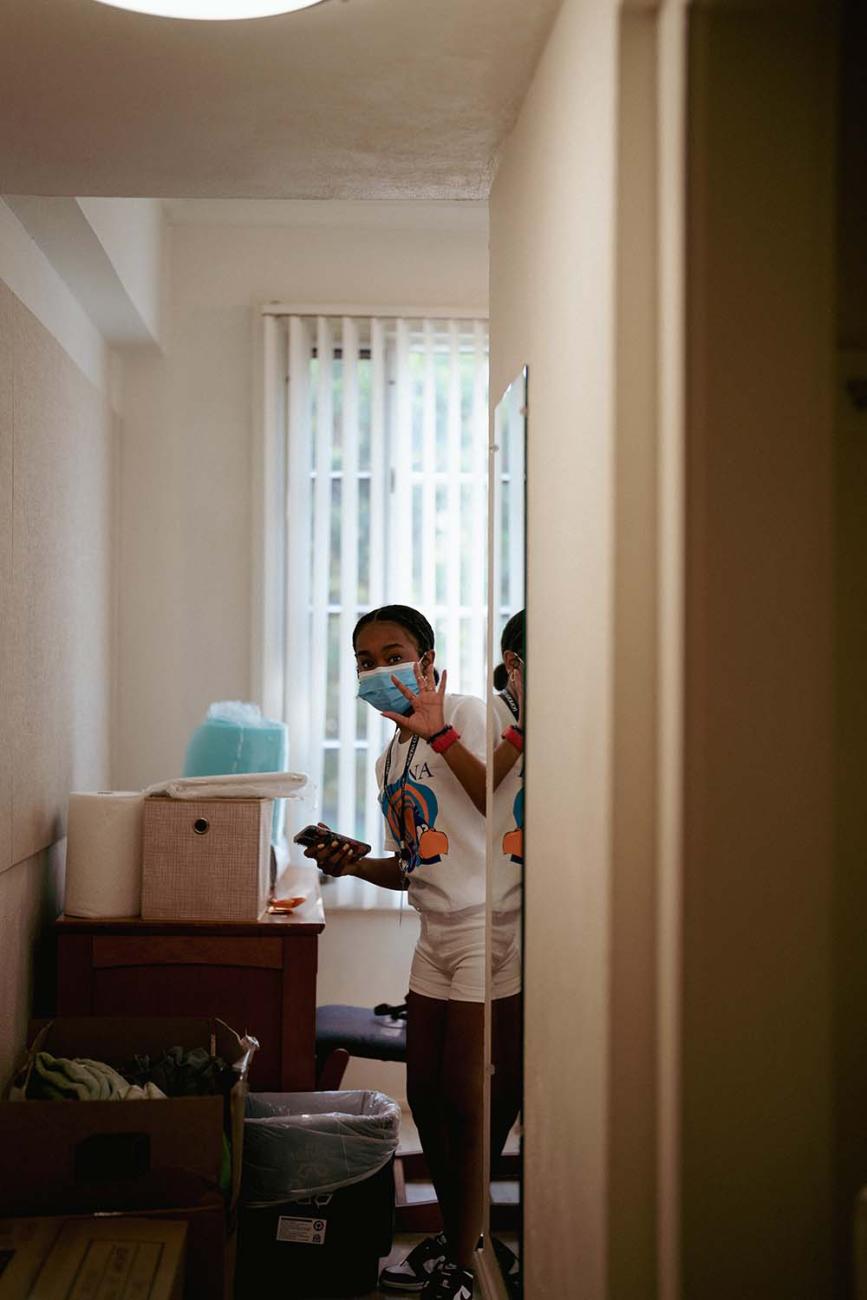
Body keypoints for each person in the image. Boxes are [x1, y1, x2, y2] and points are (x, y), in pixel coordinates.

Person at [303, 604, 513, 1300]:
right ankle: (459, 1246)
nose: (376, 669)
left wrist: (442, 731)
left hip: (490, 926)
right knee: (424, 1096)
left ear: (426, 659)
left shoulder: (469, 712)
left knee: (467, 1101)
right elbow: (412, 864)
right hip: (436, 931)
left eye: (391, 653)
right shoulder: (388, 755)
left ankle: (476, 1255)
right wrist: (352, 863)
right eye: (363, 660)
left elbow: (492, 800)